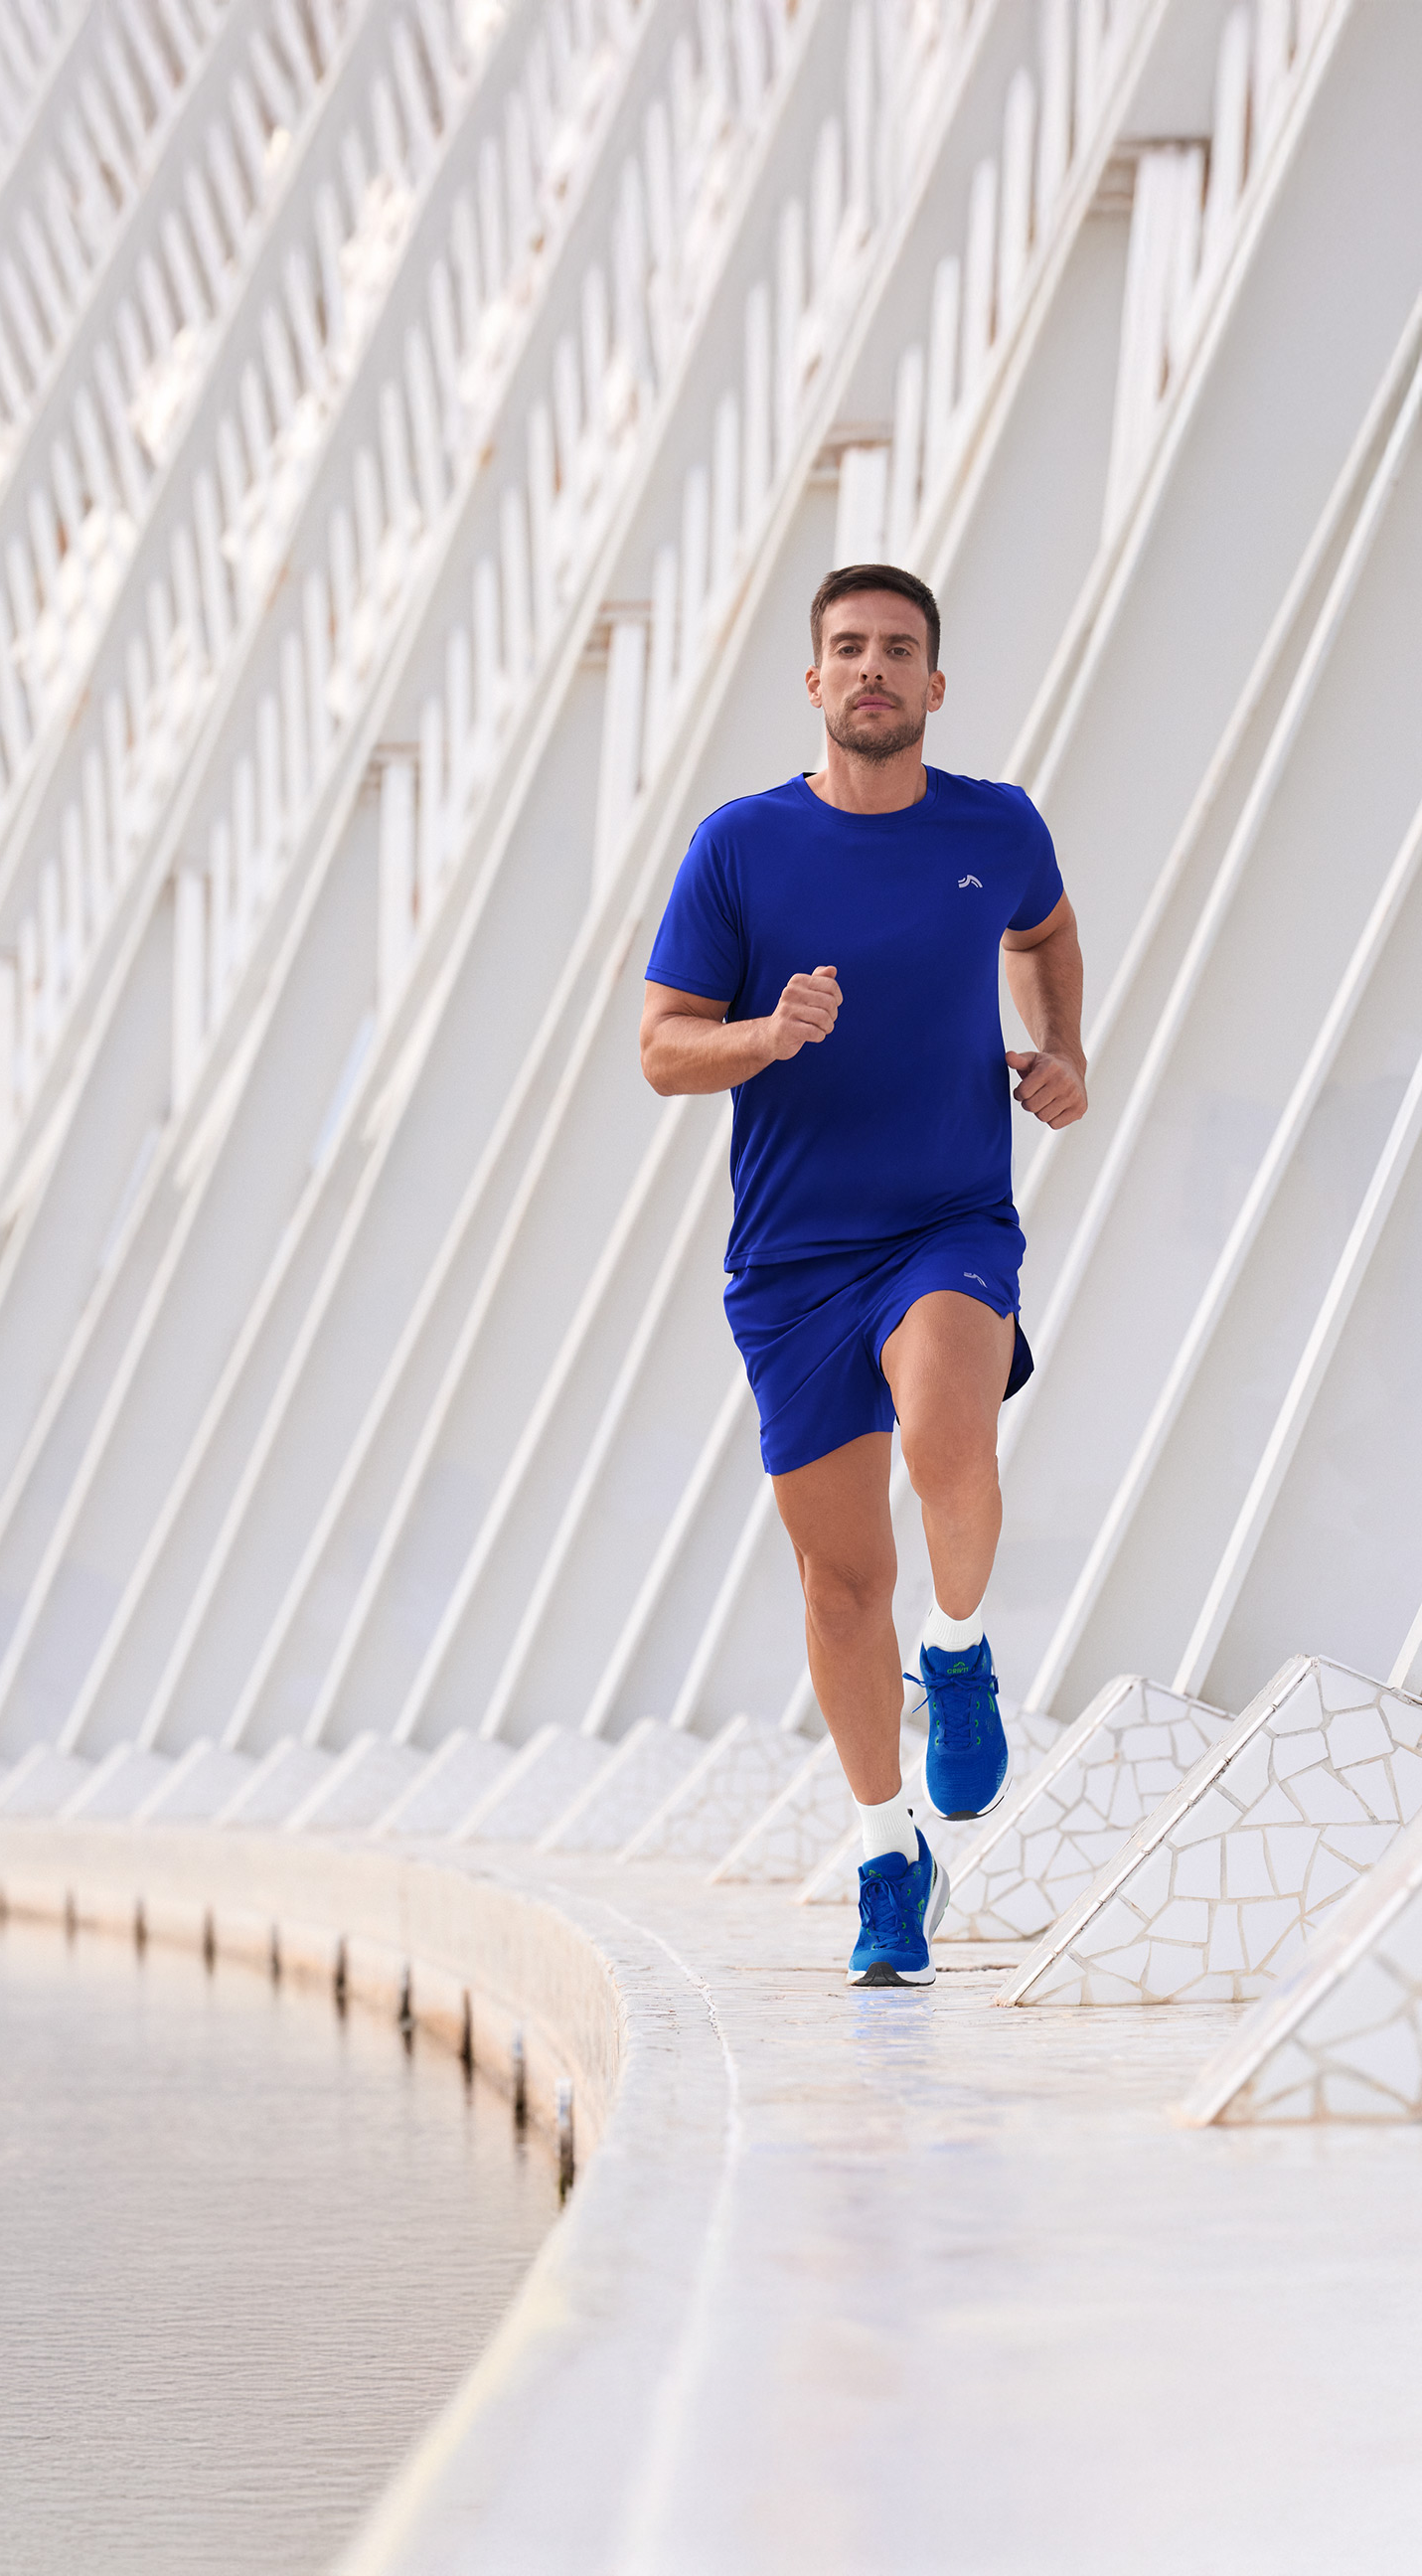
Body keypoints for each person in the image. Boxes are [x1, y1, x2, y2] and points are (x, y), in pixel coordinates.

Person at [638, 564, 1087, 1987]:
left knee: (952, 1426)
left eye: (901, 649)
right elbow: (661, 1048)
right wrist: (766, 1036)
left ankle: (956, 1654)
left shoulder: (995, 826)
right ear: (816, 682)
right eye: (850, 649)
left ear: (936, 686)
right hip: (791, 1261)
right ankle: (888, 1853)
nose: (875, 668)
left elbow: (1045, 932)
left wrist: (1059, 1046)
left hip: (950, 1216)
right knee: (841, 1583)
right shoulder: (741, 848)